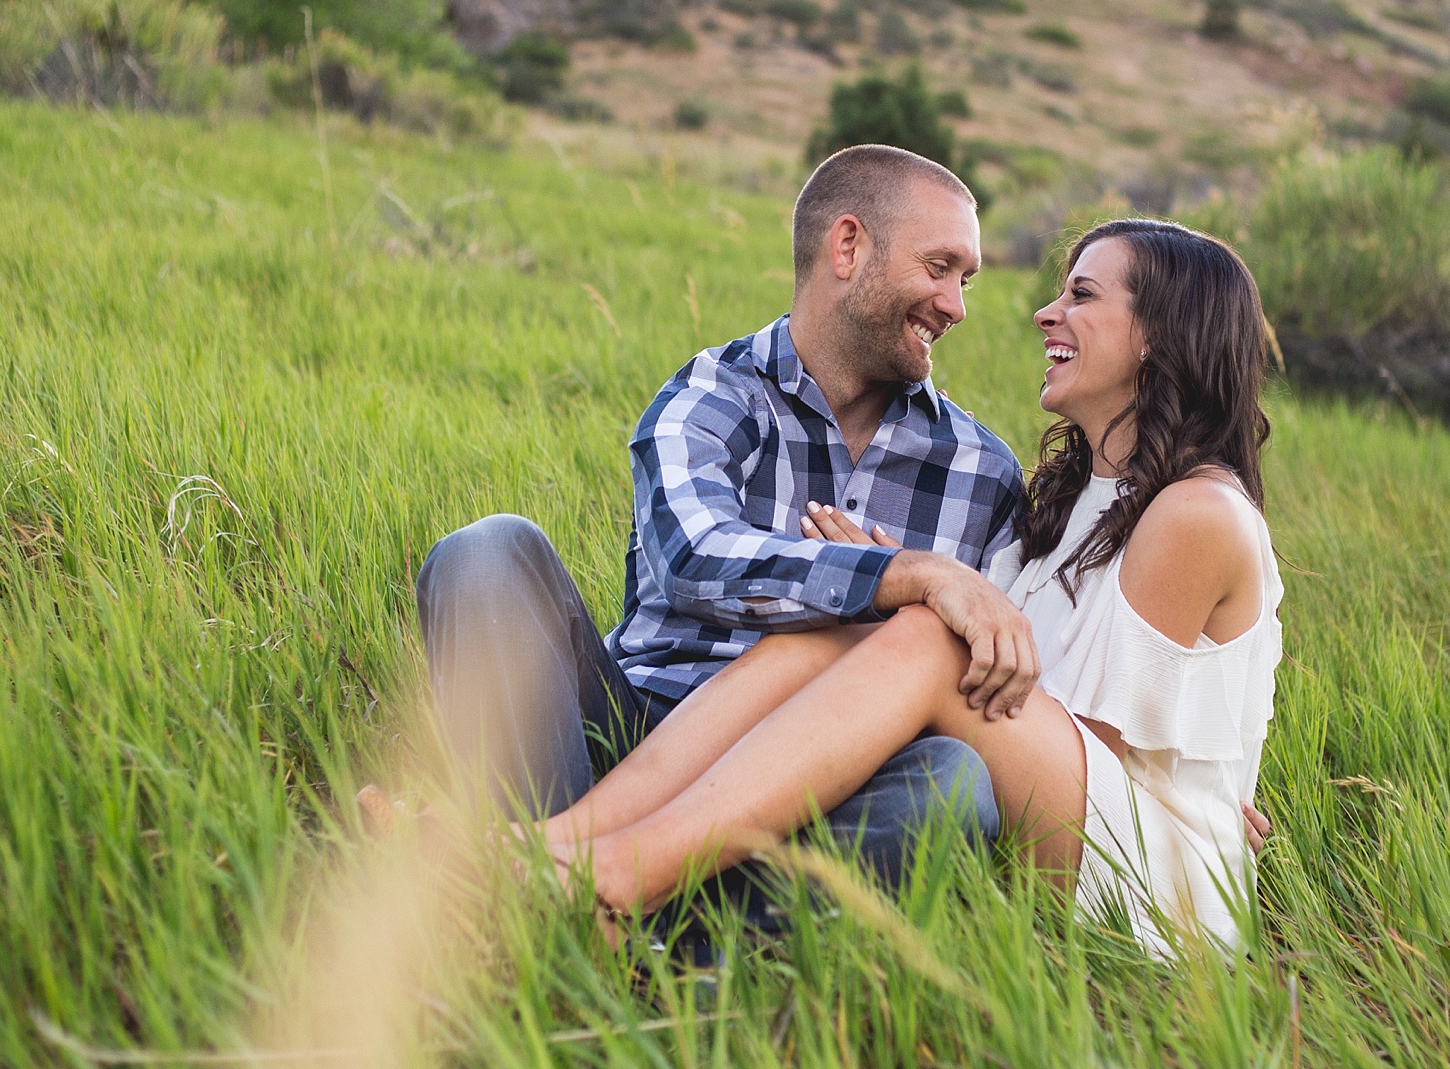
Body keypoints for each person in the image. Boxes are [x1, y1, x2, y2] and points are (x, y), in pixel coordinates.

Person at [538, 218, 1280, 956]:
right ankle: (559, 843)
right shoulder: (1077, 494)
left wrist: (916, 618)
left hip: (1155, 873)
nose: (1045, 313)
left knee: (917, 631)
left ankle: (617, 880)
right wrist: (883, 587)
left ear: (1159, 333)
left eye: (1081, 294)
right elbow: (1001, 676)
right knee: (843, 622)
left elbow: (1096, 735)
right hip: (1072, 802)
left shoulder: (1195, 511)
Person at [372, 144, 1041, 890]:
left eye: (966, 279)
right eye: (940, 268)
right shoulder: (711, 396)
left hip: (812, 788)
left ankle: (593, 901)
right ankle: (538, 869)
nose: (957, 304)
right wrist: (906, 575)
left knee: (951, 781)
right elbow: (694, 558)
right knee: (486, 550)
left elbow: (987, 681)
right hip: (631, 736)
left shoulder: (985, 472)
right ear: (848, 246)